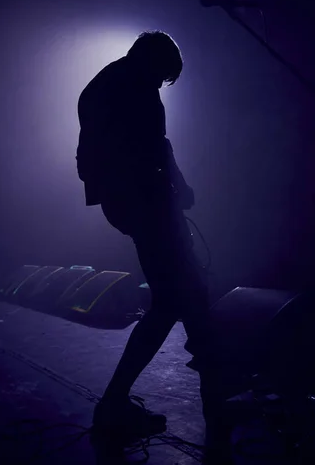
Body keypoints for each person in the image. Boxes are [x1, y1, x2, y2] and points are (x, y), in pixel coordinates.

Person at [76, 31, 224, 454]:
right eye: (163, 77)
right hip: (147, 205)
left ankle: (214, 394)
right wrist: (174, 188)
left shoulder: (104, 83)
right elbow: (154, 147)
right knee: (175, 298)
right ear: (155, 62)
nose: (162, 85)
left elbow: (98, 157)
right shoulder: (134, 86)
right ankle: (115, 403)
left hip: (131, 204)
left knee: (186, 294)